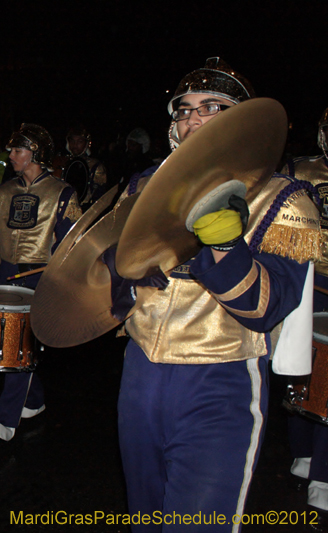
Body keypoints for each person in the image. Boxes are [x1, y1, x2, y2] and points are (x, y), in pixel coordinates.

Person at [114, 58, 321, 531]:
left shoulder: (284, 197)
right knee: (145, 518)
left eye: (211, 106)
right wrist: (121, 278)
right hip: (140, 373)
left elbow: (265, 309)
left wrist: (226, 245)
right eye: (184, 109)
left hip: (220, 379)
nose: (193, 118)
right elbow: (107, 287)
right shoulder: (145, 187)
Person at [0, 123, 81, 443]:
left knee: (17, 345)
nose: (11, 156)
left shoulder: (62, 193)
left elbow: (72, 242)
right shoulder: (2, 191)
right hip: (7, 273)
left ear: (36, 154)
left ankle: (5, 420)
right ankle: (33, 401)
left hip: (40, 277)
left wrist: (61, 271)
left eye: (17, 150)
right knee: (17, 342)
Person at [281, 106, 328, 529]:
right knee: (301, 368)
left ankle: (322, 473)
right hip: (311, 279)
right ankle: (303, 453)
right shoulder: (300, 170)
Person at [53, 125, 107, 209]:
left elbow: (100, 195)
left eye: (79, 141)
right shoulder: (61, 161)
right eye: (72, 141)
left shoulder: (95, 165)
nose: (75, 145)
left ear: (86, 143)